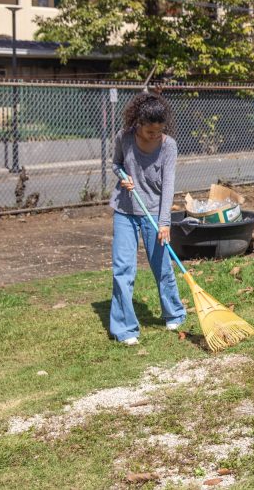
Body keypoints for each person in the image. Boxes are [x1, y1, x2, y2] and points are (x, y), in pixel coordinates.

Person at [108, 92, 186, 345]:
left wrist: (165, 223)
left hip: (154, 212)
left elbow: (168, 187)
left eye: (159, 130)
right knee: (123, 269)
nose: (155, 135)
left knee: (162, 267)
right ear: (138, 123)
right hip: (125, 211)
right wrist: (122, 176)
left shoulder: (169, 146)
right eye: (150, 131)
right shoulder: (124, 137)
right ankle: (125, 329)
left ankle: (174, 312)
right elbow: (116, 163)